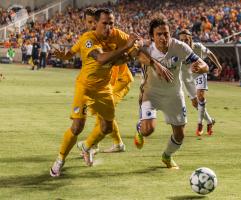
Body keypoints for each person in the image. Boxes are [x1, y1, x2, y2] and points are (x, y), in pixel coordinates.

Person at [50, 8, 172, 177]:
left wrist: (154, 64)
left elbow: (136, 52)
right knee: (77, 127)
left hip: (105, 88)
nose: (108, 27)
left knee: (106, 127)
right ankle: (60, 160)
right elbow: (101, 59)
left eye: (111, 23)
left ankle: (88, 147)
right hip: (85, 88)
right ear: (95, 23)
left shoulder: (117, 35)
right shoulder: (88, 38)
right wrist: (126, 48)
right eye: (104, 23)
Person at [134, 16, 209, 169]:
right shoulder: (146, 47)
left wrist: (202, 67)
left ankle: (166, 156)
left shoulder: (179, 47)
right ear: (152, 37)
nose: (163, 37)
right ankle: (140, 129)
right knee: (148, 130)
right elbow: (138, 55)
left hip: (174, 94)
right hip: (151, 93)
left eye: (166, 33)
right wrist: (157, 65)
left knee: (180, 135)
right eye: (159, 34)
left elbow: (203, 65)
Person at [178, 29, 222, 136]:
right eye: (182, 40)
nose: (184, 42)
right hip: (186, 77)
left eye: (186, 40)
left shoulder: (198, 47)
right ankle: (210, 121)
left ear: (191, 38)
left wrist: (219, 66)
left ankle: (199, 124)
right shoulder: (178, 49)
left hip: (199, 73)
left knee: (201, 96)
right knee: (195, 103)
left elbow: (210, 53)